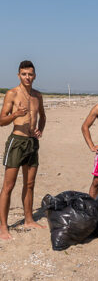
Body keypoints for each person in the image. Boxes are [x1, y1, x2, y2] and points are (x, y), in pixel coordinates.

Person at [0, 60, 46, 240]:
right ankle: (3, 226)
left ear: (35, 76)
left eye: (30, 74)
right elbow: (1, 120)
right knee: (8, 186)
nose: (27, 77)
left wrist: (40, 130)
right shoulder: (12, 94)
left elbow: (43, 116)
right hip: (17, 141)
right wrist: (15, 115)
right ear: (19, 75)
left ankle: (28, 219)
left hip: (32, 143)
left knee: (29, 183)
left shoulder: (37, 95)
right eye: (24, 74)